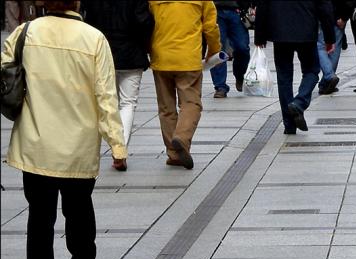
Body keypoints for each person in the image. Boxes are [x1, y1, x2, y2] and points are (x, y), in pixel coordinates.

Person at [2, 0, 127, 259]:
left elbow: (6, 73)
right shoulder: (93, 38)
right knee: (80, 210)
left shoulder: (24, 32)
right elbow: (106, 97)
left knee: (39, 216)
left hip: (36, 142)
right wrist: (117, 145)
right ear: (77, 3)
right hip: (78, 145)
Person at [79, 0, 154, 169]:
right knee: (128, 103)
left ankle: (99, 148)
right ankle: (120, 150)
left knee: (104, 100)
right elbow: (144, 22)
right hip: (131, 52)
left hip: (102, 52)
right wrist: (146, 46)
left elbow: (87, 21)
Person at [148, 0, 221, 170]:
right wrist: (214, 50)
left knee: (166, 108)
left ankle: (173, 154)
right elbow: (210, 27)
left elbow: (146, 21)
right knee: (191, 103)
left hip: (161, 57)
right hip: (188, 58)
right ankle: (181, 137)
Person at [254, 0, 335, 132]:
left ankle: (289, 124)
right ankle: (299, 102)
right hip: (306, 29)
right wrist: (329, 37)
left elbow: (263, 4)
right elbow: (325, 6)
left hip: (280, 32)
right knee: (312, 71)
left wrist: (259, 36)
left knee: (284, 77)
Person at [210, 1, 252, 98]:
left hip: (237, 11)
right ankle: (220, 86)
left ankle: (239, 73)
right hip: (216, 10)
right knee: (218, 49)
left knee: (242, 48)